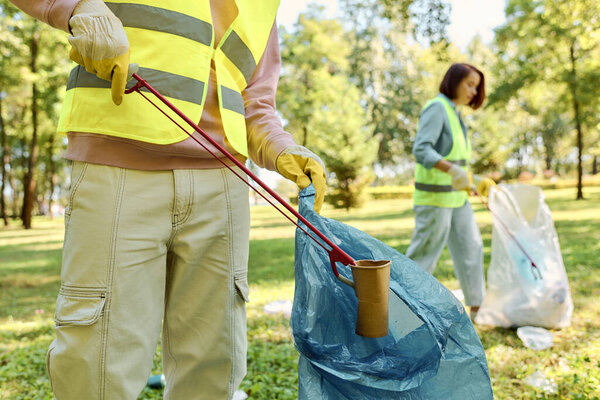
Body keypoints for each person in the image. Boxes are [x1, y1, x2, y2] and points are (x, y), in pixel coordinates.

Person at [9, 0, 326, 399]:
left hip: (224, 183)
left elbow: (256, 102)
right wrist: (78, 7)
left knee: (215, 363)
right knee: (98, 364)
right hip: (119, 163)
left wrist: (280, 147)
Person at [405, 63, 496, 321]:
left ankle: (478, 308)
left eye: (476, 87)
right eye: (469, 84)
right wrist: (453, 171)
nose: (473, 91)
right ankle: (404, 309)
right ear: (453, 81)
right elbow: (422, 150)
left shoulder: (455, 113)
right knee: (425, 255)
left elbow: (456, 161)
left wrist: (475, 180)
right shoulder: (437, 108)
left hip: (457, 198)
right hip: (435, 199)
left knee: (472, 248)